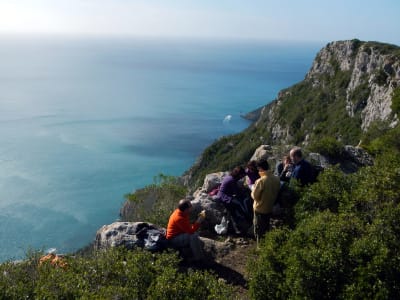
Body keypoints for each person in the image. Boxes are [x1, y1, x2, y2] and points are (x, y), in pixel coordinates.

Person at [251, 159, 280, 245]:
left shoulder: (261, 181)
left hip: (260, 208)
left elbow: (255, 196)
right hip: (269, 207)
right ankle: (267, 244)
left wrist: (253, 189)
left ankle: (260, 247)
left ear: (260, 168)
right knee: (266, 226)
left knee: (258, 228)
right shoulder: (276, 178)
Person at [216, 166, 252, 233]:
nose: (242, 177)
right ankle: (245, 223)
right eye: (242, 175)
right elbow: (236, 193)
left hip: (221, 195)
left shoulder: (229, 177)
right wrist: (244, 192)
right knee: (238, 206)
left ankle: (238, 227)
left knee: (235, 207)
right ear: (239, 174)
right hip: (224, 197)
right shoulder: (232, 180)